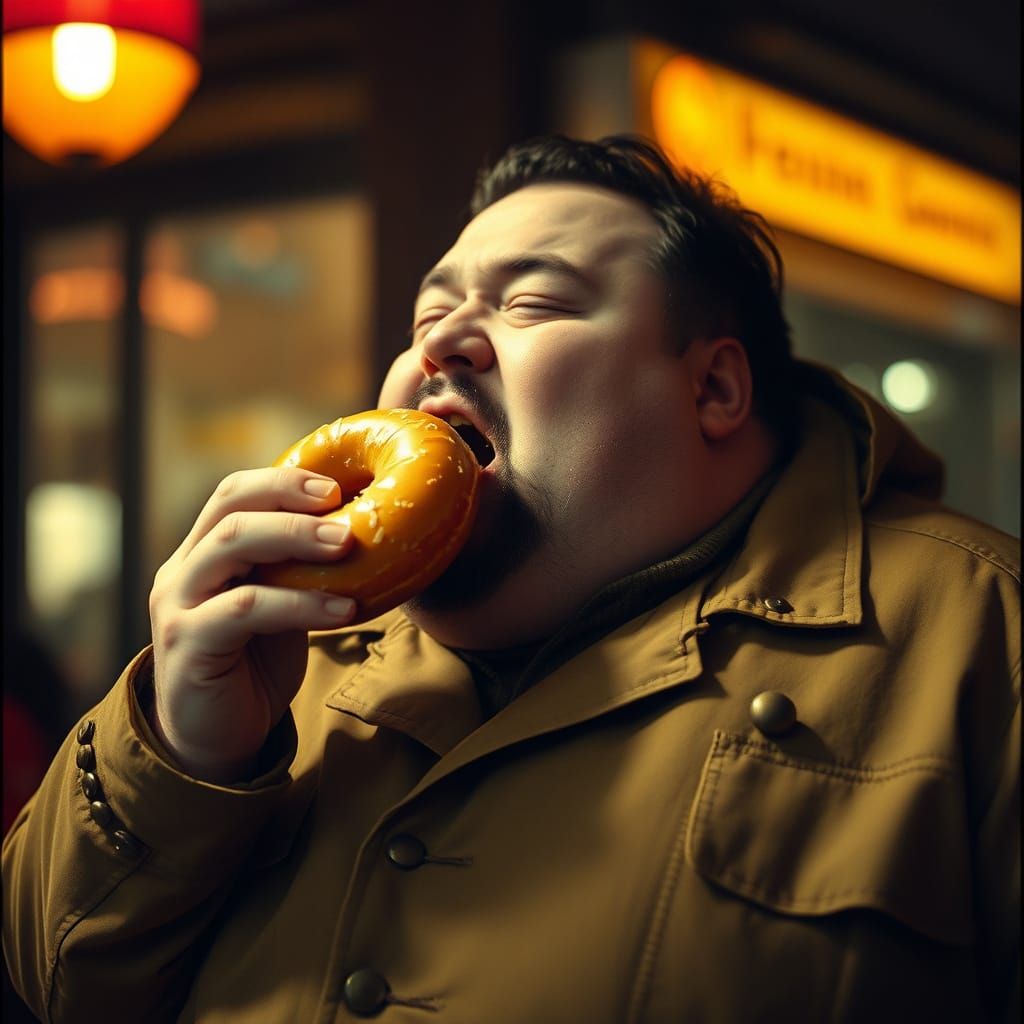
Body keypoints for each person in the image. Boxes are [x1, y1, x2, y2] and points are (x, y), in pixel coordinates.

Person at [3, 135, 1019, 1024]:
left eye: (531, 301)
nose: (438, 340)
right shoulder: (276, 661)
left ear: (710, 386)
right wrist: (181, 758)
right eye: (425, 316)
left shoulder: (976, 631)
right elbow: (57, 987)